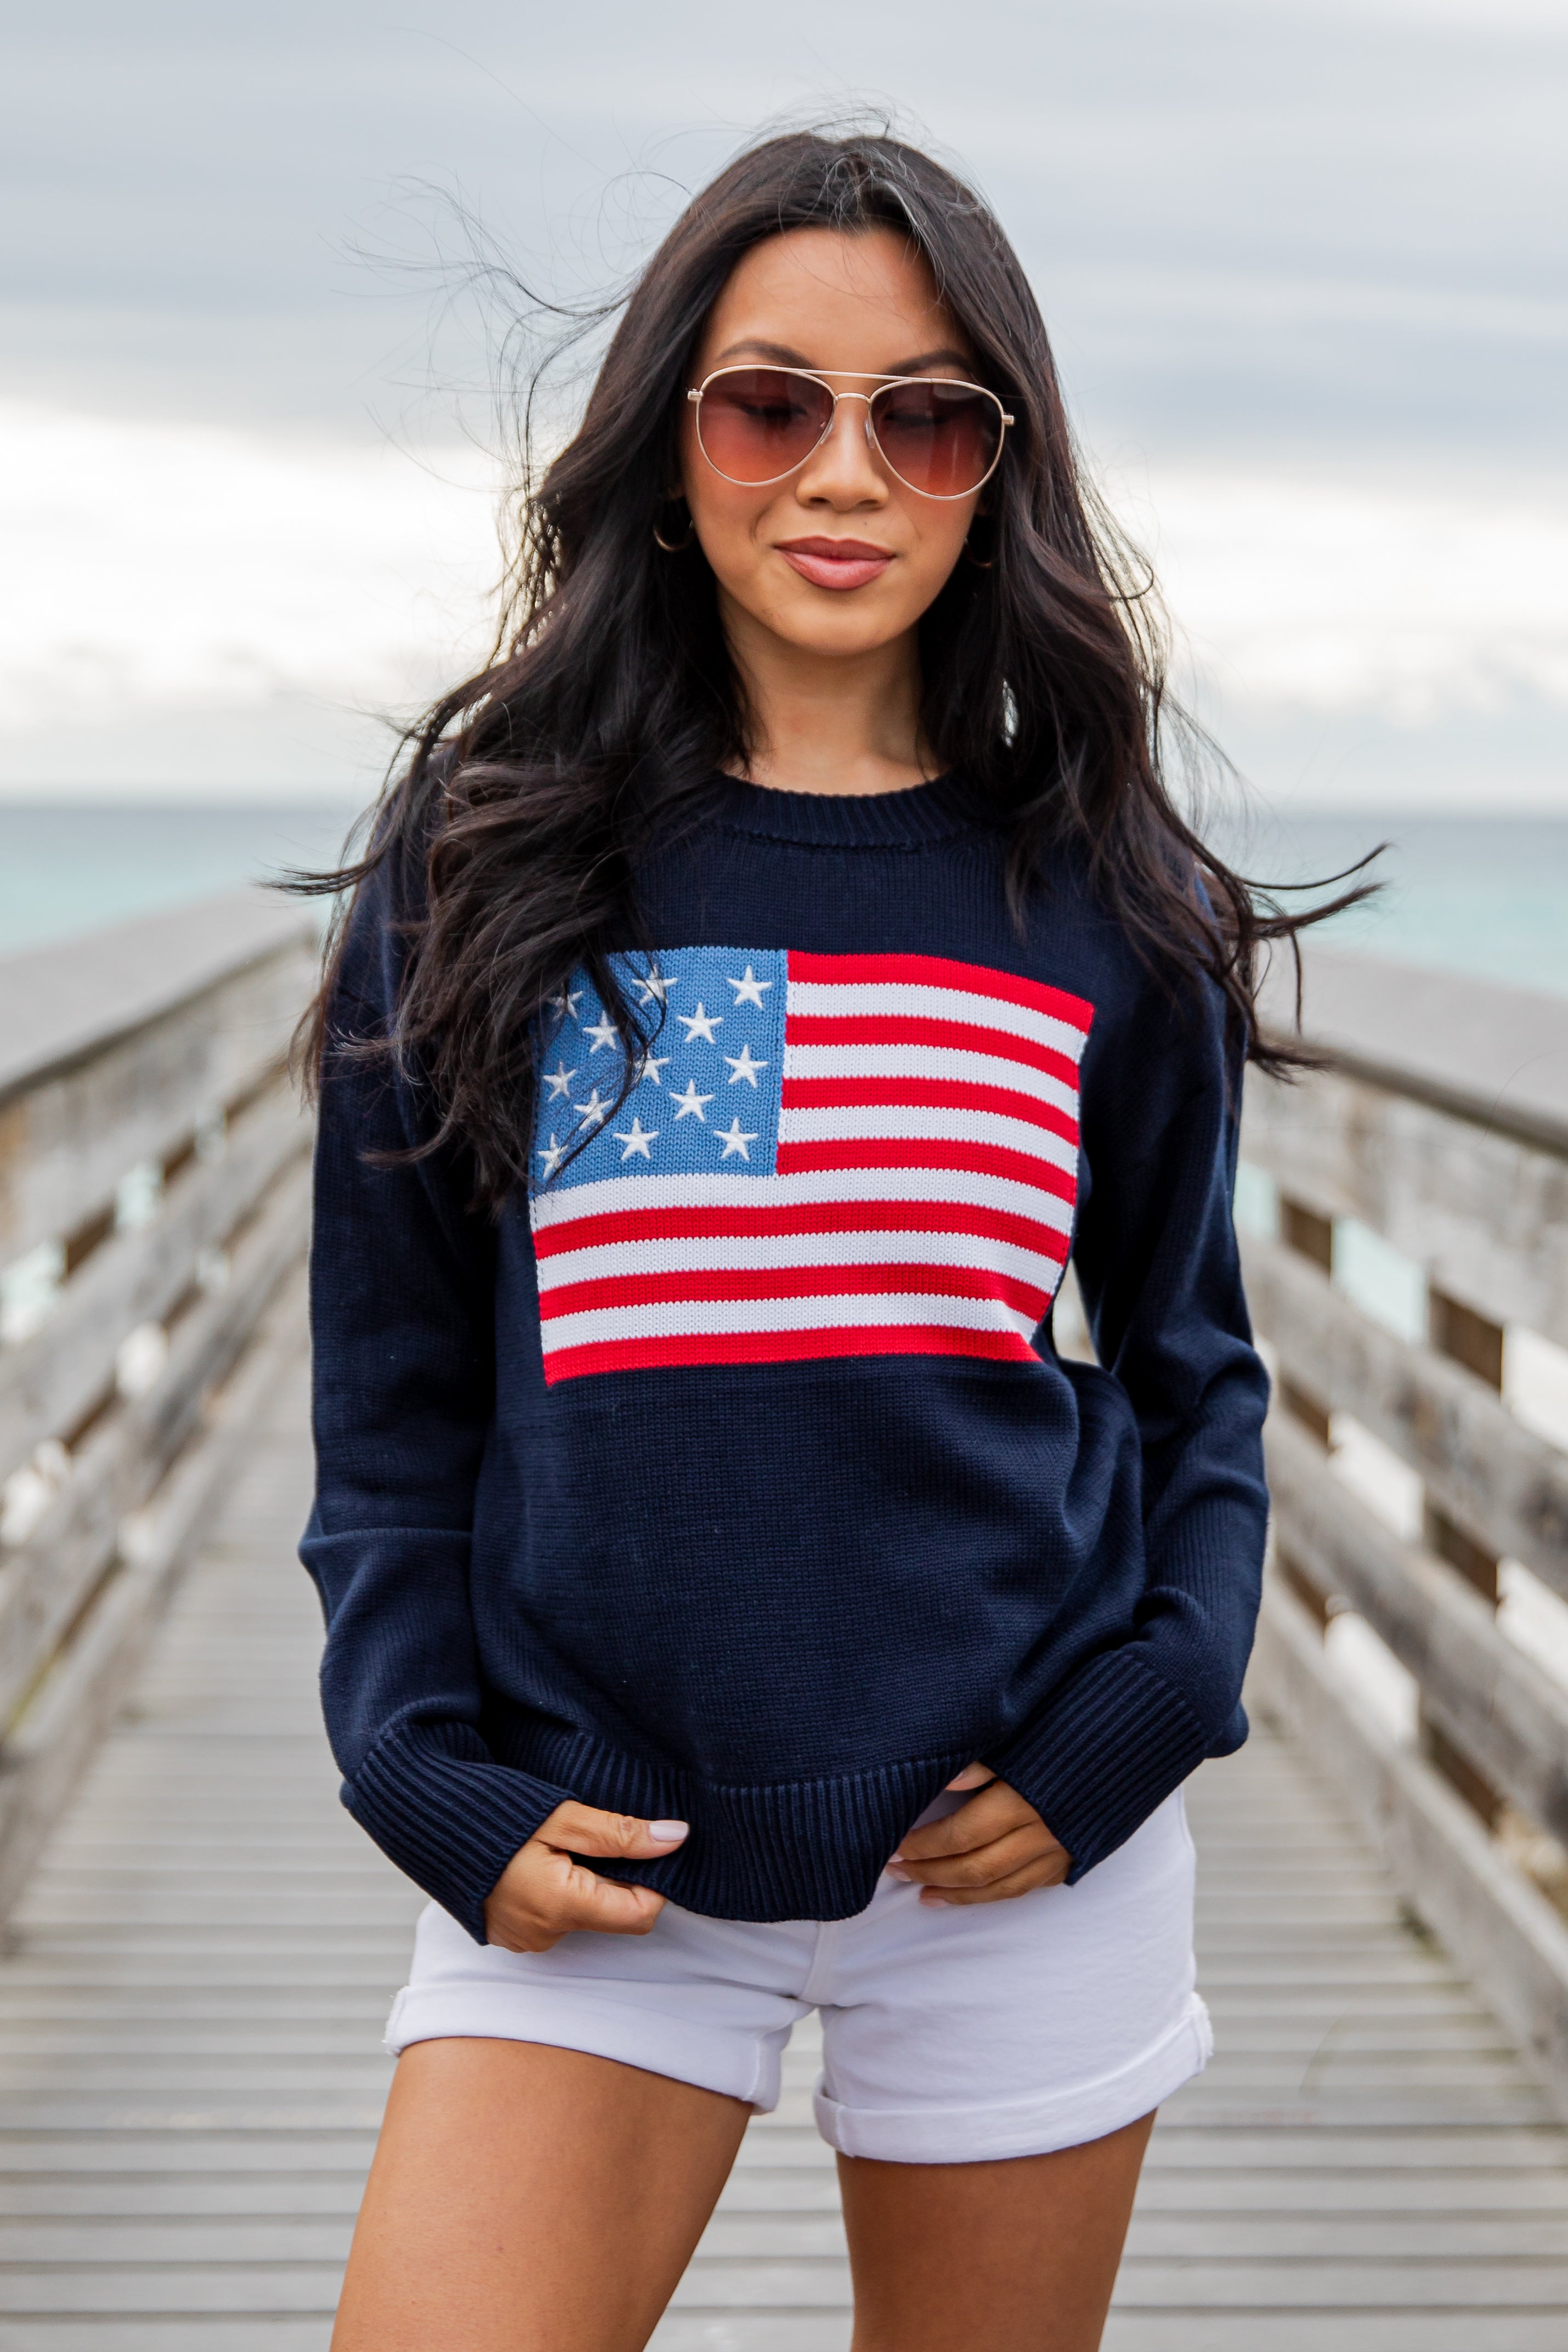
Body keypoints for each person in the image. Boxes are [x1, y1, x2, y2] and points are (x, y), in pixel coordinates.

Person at [298, 128, 1347, 2352]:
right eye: (770, 404)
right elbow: (389, 1398)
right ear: (670, 440)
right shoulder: (480, 854)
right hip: (596, 1852)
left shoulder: (1107, 895)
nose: (844, 473)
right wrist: (410, 1757)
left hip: (1011, 1848)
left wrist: (1158, 1697)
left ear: (999, 469)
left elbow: (1193, 1371)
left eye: (927, 417)